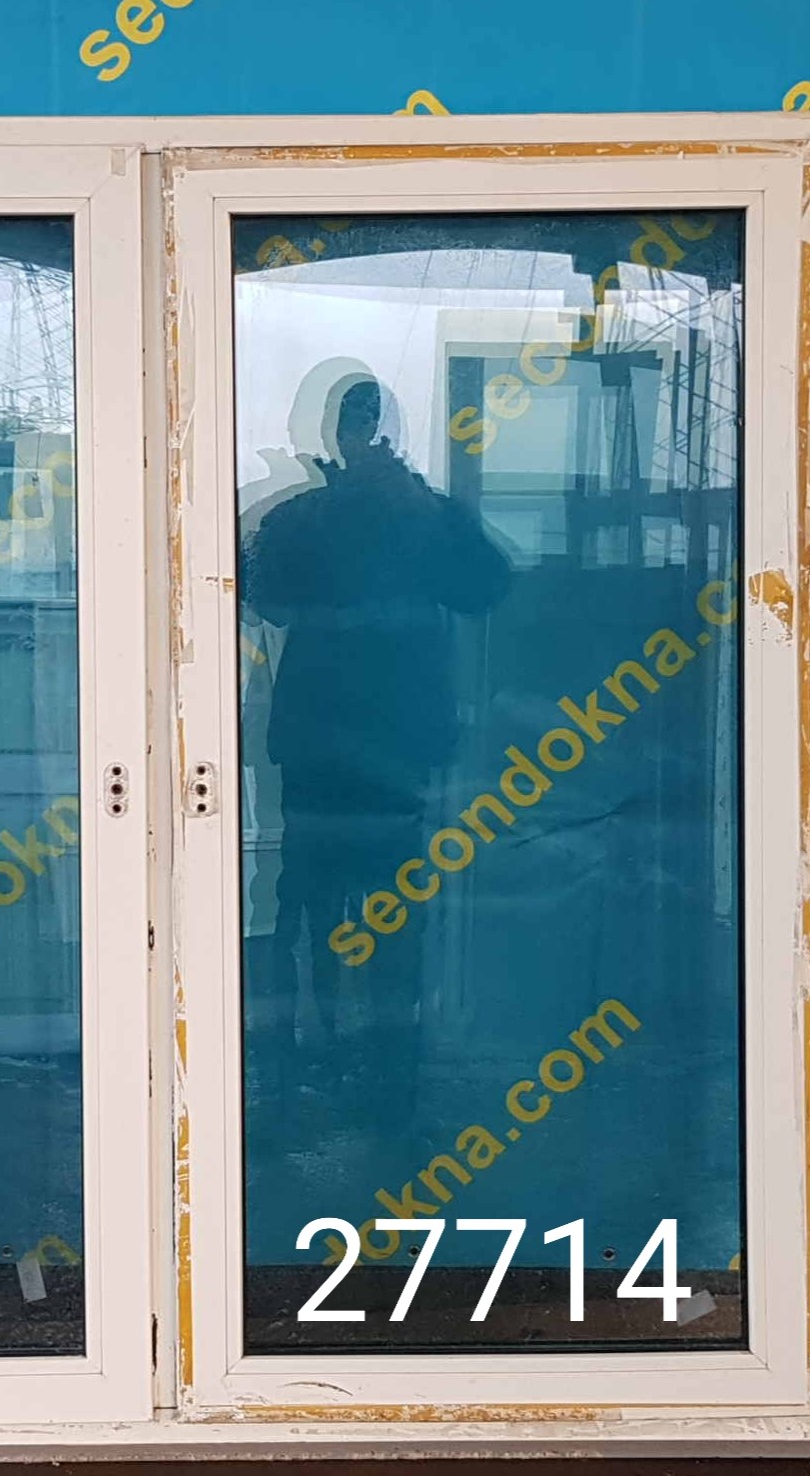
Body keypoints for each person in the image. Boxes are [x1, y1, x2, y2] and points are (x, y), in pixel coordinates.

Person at [241, 372, 511, 1098]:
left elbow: (261, 594)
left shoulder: (308, 516)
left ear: (339, 437)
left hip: (327, 737)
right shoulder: (415, 512)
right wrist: (412, 506)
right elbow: (486, 586)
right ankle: (385, 1064)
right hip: (390, 740)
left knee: (312, 898)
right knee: (384, 905)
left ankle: (315, 1052)